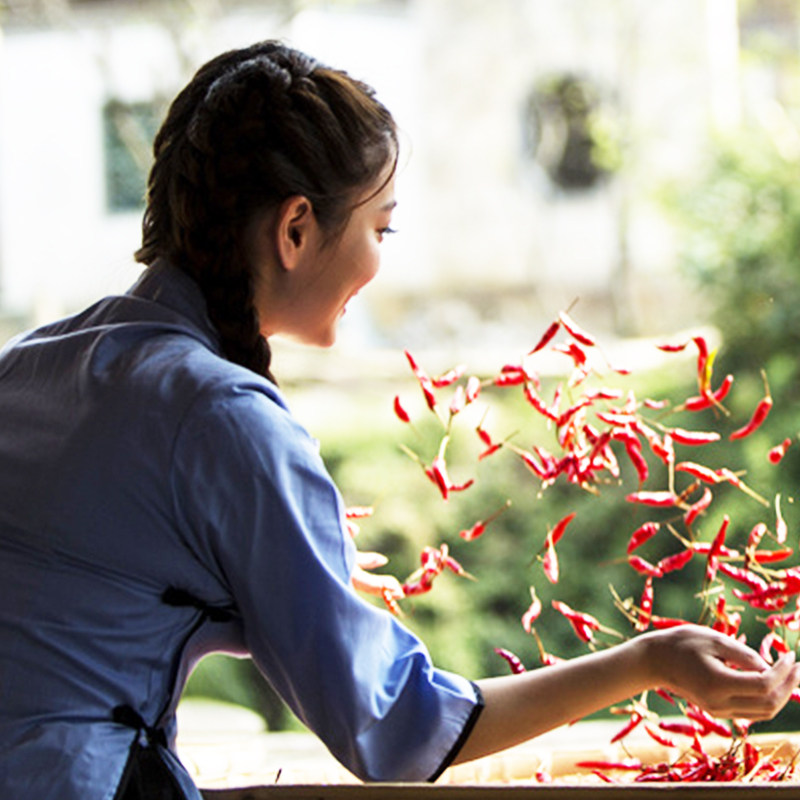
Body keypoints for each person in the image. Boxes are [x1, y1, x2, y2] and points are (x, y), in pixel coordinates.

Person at [0, 40, 797, 800]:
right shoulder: (222, 415)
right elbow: (394, 728)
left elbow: (87, 593)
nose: (382, 260)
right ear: (296, 229)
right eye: (380, 229)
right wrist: (647, 661)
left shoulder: (30, 365)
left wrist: (289, 569)